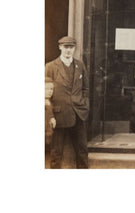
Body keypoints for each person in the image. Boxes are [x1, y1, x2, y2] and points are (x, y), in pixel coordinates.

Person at [45, 36, 90, 169]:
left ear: (74, 49)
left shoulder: (80, 65)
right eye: (66, 47)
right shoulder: (51, 66)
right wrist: (51, 115)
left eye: (71, 47)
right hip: (59, 115)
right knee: (56, 152)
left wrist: (84, 104)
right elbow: (45, 93)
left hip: (78, 114)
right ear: (60, 47)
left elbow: (85, 88)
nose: (68, 51)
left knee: (82, 151)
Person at [45, 77, 56, 164]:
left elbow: (50, 113)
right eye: (46, 89)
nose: (50, 91)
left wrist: (52, 117)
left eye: (51, 89)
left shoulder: (49, 102)